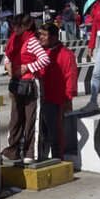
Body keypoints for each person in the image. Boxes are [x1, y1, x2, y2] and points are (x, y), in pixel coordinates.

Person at [1, 15, 50, 162]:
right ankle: (13, 150)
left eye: (17, 26)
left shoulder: (31, 41)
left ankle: (30, 152)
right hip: (17, 83)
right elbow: (8, 56)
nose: (14, 29)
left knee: (31, 119)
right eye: (13, 26)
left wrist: (27, 67)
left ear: (25, 27)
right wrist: (8, 65)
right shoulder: (13, 40)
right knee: (15, 118)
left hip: (30, 84)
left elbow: (45, 59)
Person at [38, 23, 78, 160]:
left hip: (56, 99)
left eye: (44, 35)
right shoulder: (40, 53)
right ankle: (41, 156)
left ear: (54, 37)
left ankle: (57, 158)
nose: (41, 38)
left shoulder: (66, 54)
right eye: (40, 35)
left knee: (55, 132)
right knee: (40, 132)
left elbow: (71, 76)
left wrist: (68, 98)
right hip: (40, 98)